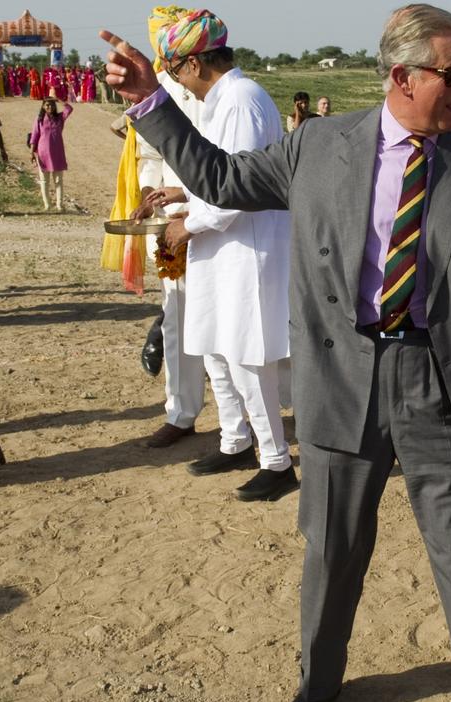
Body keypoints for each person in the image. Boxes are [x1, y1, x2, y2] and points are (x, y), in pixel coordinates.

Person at [103, 3, 451, 702]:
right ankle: (317, 691)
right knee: (331, 553)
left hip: (438, 386)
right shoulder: (319, 144)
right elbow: (222, 180)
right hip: (342, 375)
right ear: (400, 76)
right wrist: (149, 100)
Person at [139, 10, 296, 500]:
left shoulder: (243, 100)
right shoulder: (222, 100)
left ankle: (275, 461)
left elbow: (237, 191)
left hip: (245, 249)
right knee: (214, 349)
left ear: (191, 64)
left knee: (247, 357)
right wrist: (179, 194)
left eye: (172, 70)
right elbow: (214, 175)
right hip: (218, 247)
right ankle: (235, 440)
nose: (176, 80)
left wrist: (188, 225)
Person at [125, 4, 211, 449]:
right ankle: (181, 413)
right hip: (172, 223)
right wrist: (149, 194)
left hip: (216, 218)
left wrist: (194, 206)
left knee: (228, 320)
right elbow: (149, 158)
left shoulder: (219, 92)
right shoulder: (158, 93)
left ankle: (254, 419)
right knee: (177, 317)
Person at [29, 98, 73, 212]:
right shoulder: (39, 120)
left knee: (58, 180)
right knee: (44, 181)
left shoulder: (60, 118)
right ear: (43, 106)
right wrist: (32, 153)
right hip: (43, 153)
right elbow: (34, 136)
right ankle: (47, 205)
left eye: (52, 105)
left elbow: (69, 108)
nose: (50, 107)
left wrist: (59, 99)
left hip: (57, 153)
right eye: (47, 105)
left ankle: (59, 205)